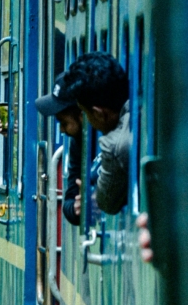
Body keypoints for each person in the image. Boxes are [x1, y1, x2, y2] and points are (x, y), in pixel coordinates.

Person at [62, 51, 130, 215]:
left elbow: (106, 203)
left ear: (99, 114)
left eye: (85, 113)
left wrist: (92, 195)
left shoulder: (114, 145)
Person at [35, 73, 83, 225]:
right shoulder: (77, 143)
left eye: (63, 122)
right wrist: (76, 208)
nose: (61, 130)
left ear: (82, 115)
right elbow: (69, 199)